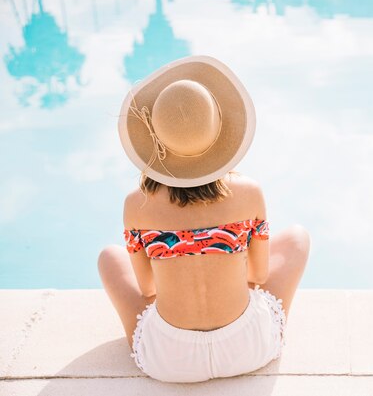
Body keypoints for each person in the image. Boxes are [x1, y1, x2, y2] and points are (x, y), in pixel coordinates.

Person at [97, 55, 310, 383]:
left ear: (155, 137)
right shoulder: (249, 193)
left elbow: (148, 288)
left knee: (109, 258)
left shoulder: (136, 204)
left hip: (168, 360)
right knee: (297, 238)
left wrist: (180, 252)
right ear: (219, 133)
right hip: (248, 348)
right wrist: (220, 250)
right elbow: (259, 274)